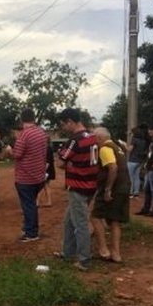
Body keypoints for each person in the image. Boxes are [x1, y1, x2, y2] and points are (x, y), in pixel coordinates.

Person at [54, 108, 99, 271]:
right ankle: (67, 253)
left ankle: (84, 260)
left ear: (70, 122)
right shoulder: (92, 136)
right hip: (90, 185)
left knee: (80, 223)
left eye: (64, 125)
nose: (64, 128)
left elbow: (61, 161)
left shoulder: (75, 140)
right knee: (69, 221)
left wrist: (69, 163)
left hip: (78, 186)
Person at [3, 108, 48, 241]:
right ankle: (32, 229)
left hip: (25, 177)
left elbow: (17, 154)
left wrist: (9, 150)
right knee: (32, 204)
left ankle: (31, 232)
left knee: (28, 206)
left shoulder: (24, 135)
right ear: (34, 118)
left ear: (22, 119)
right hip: (39, 176)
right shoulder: (41, 133)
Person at [90, 127, 130, 263]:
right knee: (115, 220)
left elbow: (113, 167)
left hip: (114, 189)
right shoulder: (118, 147)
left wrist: (107, 189)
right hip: (124, 187)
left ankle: (103, 250)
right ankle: (116, 254)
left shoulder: (105, 149)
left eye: (94, 139)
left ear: (99, 138)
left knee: (95, 217)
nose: (94, 142)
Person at [126, 124, 148, 198]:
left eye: (132, 133)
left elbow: (129, 150)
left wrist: (124, 145)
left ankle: (130, 192)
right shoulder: (143, 141)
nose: (131, 134)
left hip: (132, 160)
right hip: (139, 161)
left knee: (130, 177)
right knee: (137, 177)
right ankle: (136, 193)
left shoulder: (134, 140)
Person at [37, 142, 55, 208]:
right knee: (46, 185)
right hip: (49, 169)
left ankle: (37, 202)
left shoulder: (46, 148)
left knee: (41, 186)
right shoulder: (48, 148)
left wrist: (43, 171)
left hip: (46, 170)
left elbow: (47, 161)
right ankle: (49, 201)